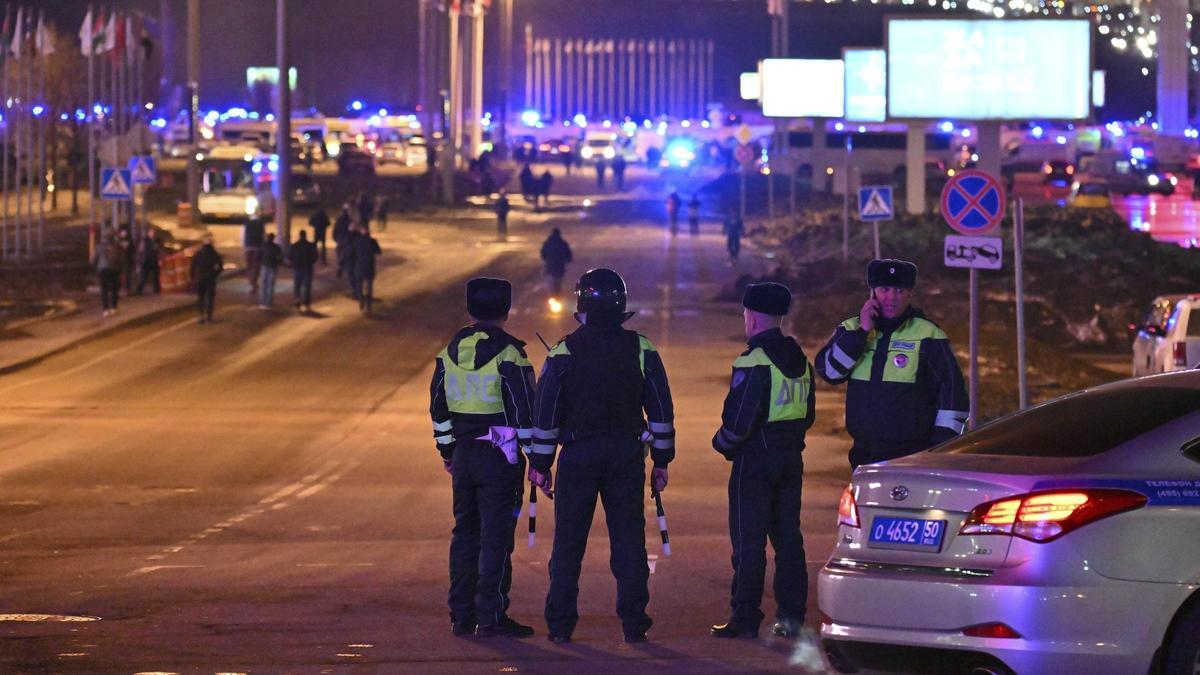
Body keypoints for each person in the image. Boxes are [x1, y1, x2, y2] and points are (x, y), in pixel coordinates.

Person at [530, 268, 676, 644]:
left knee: (568, 545)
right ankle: (634, 625)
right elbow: (661, 409)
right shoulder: (642, 349)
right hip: (627, 456)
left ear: (581, 307)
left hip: (577, 456)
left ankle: (560, 627)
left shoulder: (563, 351)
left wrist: (541, 465)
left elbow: (545, 415)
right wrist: (661, 460)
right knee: (629, 542)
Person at [430, 278, 539, 640]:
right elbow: (525, 413)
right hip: (501, 455)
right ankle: (490, 615)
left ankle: (460, 616)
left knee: (464, 536)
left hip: (463, 455)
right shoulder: (511, 354)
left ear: (470, 308)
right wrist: (537, 460)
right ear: (505, 312)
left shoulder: (448, 353)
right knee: (496, 538)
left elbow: (438, 410)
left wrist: (448, 451)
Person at [710, 283, 814, 640]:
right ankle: (791, 618)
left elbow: (738, 420)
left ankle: (744, 616)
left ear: (751, 317)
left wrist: (722, 445)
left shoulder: (753, 361)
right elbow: (809, 414)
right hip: (790, 458)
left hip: (755, 461)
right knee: (788, 539)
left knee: (748, 540)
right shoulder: (800, 360)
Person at [815, 259, 969, 469]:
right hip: (863, 454)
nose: (891, 297)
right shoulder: (851, 328)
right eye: (884, 289)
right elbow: (830, 373)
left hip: (913, 455)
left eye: (899, 290)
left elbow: (952, 393)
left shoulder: (928, 334)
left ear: (910, 294)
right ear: (873, 292)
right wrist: (862, 332)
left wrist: (939, 448)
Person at [191, 234, 224, 324]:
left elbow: (193, 266)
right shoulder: (214, 253)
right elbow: (220, 267)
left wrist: (193, 277)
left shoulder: (198, 253)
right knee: (210, 298)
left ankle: (201, 316)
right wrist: (215, 274)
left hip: (200, 278)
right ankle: (209, 316)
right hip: (210, 278)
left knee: (200, 298)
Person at [350, 225, 381, 314]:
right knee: (369, 287)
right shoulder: (372, 241)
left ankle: (361, 301)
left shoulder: (357, 241)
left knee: (359, 286)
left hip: (359, 267)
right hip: (369, 267)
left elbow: (352, 252)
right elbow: (378, 252)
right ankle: (368, 305)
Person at [289, 229, 318, 312]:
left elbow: (290, 256)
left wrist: (294, 263)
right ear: (305, 235)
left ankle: (297, 300)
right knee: (307, 287)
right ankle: (306, 303)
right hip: (307, 268)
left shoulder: (295, 245)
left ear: (300, 235)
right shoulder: (310, 245)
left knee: (297, 285)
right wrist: (310, 262)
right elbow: (315, 257)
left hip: (297, 268)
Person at [539, 228, 573, 296]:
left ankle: (552, 296)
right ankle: (558, 295)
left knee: (551, 282)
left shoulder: (547, 243)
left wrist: (547, 260)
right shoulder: (563, 243)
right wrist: (567, 260)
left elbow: (543, 254)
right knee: (559, 282)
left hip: (550, 267)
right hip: (560, 267)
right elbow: (568, 254)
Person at [94, 234, 122, 317]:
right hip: (114, 270)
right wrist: (121, 270)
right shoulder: (117, 247)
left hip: (102, 270)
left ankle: (105, 309)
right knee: (114, 290)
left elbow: (94, 259)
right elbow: (121, 259)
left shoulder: (99, 247)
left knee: (104, 290)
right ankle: (114, 308)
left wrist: (95, 269)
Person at [242, 214, 266, 297]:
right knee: (256, 267)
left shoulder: (246, 223)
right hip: (258, 247)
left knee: (249, 266)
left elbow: (243, 235)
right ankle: (254, 283)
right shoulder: (261, 224)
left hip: (248, 247)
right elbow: (264, 236)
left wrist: (244, 246)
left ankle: (252, 284)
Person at [258, 232, 283, 309]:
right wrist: (277, 263)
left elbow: (258, 257)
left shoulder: (263, 246)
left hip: (264, 266)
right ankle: (269, 302)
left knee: (263, 285)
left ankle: (263, 302)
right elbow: (280, 258)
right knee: (270, 285)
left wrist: (261, 263)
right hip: (273, 267)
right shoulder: (276, 247)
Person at [136, 229, 161, 295]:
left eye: (153, 233)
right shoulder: (144, 241)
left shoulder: (157, 241)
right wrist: (140, 260)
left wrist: (159, 259)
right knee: (143, 277)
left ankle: (156, 290)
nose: (152, 234)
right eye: (151, 232)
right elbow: (140, 251)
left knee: (155, 277)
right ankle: (139, 290)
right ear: (148, 233)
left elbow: (159, 251)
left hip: (154, 261)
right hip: (146, 261)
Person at [333, 203, 353, 281]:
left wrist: (336, 239)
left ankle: (341, 268)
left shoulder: (339, 219)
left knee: (341, 256)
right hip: (346, 241)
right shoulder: (349, 220)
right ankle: (342, 269)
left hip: (341, 241)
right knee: (346, 256)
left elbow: (335, 231)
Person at [117, 226, 135, 294]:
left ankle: (127, 289)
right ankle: (119, 288)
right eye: (122, 232)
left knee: (127, 276)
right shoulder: (118, 241)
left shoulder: (129, 241)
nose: (124, 233)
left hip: (127, 261)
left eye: (125, 232)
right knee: (119, 276)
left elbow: (133, 250)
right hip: (119, 261)